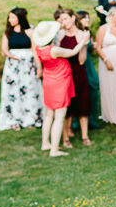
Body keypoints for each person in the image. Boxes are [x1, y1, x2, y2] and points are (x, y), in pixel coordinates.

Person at [32, 21, 88, 157]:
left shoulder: (40, 48)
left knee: (48, 115)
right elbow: (73, 52)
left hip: (48, 82)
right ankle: (54, 149)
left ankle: (45, 143)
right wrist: (83, 41)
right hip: (59, 84)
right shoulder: (54, 50)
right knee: (59, 117)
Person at [0, 7, 42, 132]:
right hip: (13, 67)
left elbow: (35, 50)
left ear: (20, 18)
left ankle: (31, 118)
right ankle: (13, 119)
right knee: (13, 92)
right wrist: (10, 55)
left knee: (30, 91)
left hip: (28, 65)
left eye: (13, 17)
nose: (10, 20)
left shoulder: (29, 32)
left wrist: (39, 67)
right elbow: (4, 50)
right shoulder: (7, 33)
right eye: (9, 17)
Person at [56, 9, 91, 148]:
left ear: (72, 18)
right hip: (64, 73)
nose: (63, 22)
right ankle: (65, 138)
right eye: (61, 20)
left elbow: (82, 60)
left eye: (65, 19)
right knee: (65, 108)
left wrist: (83, 45)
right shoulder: (60, 34)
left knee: (83, 104)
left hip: (78, 71)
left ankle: (85, 136)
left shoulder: (82, 34)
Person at [95, 7, 116, 126]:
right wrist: (106, 60)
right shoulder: (103, 29)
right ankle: (110, 113)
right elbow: (98, 47)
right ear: (111, 17)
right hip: (108, 62)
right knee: (110, 86)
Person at [76, 11, 103, 132]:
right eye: (84, 18)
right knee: (80, 91)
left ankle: (92, 119)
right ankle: (77, 121)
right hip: (80, 64)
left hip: (89, 63)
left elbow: (91, 51)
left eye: (87, 18)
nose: (87, 20)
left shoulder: (88, 32)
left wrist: (93, 46)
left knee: (93, 88)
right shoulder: (77, 33)